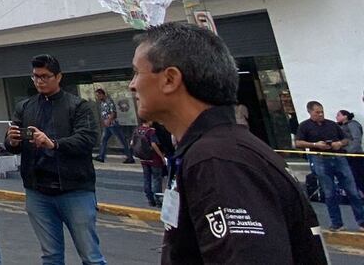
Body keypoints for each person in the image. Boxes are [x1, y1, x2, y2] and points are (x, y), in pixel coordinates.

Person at [129, 23, 327, 262]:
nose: (132, 85)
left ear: (170, 79)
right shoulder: (220, 149)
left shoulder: (217, 160)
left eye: (137, 72)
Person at [5, 54, 105, 265]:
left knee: (91, 256)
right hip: (37, 191)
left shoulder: (79, 106)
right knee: (50, 256)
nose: (40, 81)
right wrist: (12, 140)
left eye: (45, 76)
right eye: (35, 77)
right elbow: (12, 145)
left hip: (75, 190)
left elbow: (87, 139)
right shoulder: (25, 107)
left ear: (59, 77)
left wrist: (53, 143)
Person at [296, 100, 364, 230]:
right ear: (310, 112)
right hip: (320, 158)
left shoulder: (332, 124)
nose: (320, 114)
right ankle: (337, 223)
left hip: (338, 157)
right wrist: (315, 144)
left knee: (352, 190)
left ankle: (362, 221)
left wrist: (339, 143)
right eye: (317, 112)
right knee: (329, 193)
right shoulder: (304, 126)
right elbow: (298, 143)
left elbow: (346, 139)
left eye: (322, 112)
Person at [130, 117, 166, 207]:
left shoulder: (136, 130)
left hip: (143, 159)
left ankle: (150, 199)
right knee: (157, 179)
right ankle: (158, 200)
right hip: (154, 159)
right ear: (148, 120)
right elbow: (154, 144)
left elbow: (131, 143)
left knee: (147, 178)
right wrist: (161, 156)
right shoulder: (151, 131)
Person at [93, 88, 133, 164]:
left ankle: (130, 157)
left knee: (122, 140)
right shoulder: (102, 103)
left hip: (113, 124)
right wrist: (104, 122)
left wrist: (108, 120)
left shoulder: (109, 101)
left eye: (98, 95)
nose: (97, 97)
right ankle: (101, 156)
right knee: (103, 140)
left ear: (102, 94)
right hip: (107, 126)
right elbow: (104, 113)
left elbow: (113, 113)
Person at [337, 109, 364, 194]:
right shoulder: (340, 126)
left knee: (358, 175)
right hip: (346, 154)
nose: (336, 117)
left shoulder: (352, 124)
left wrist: (350, 151)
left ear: (345, 116)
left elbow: (356, 139)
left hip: (355, 154)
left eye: (338, 115)